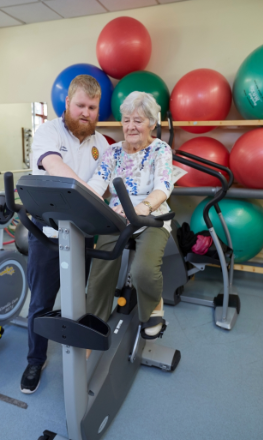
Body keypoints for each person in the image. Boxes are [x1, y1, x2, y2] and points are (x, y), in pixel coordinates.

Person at [20, 75, 109, 394]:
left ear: (98, 110)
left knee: (77, 300)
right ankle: (35, 360)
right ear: (68, 103)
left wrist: (91, 203)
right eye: (81, 105)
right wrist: (87, 199)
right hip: (47, 235)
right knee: (41, 303)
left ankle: (76, 354)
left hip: (83, 235)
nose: (86, 112)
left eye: (92, 107)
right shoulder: (48, 132)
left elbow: (101, 186)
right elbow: (54, 166)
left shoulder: (103, 146)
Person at [86, 91, 173, 338]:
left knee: (143, 270)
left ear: (152, 124)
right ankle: (96, 319)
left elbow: (164, 186)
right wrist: (84, 201)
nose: (131, 126)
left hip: (152, 216)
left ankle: (152, 309)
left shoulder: (160, 149)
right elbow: (97, 182)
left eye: (138, 120)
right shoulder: (113, 152)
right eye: (126, 120)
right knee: (101, 265)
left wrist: (143, 207)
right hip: (117, 217)